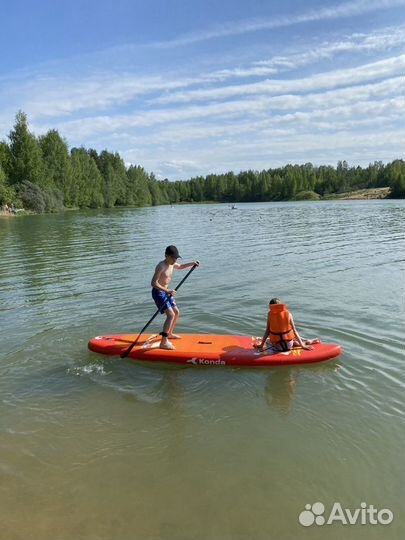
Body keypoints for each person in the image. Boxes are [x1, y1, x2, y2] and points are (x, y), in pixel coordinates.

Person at [151, 245, 199, 350]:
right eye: (173, 258)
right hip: (158, 292)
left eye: (176, 258)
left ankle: (170, 333)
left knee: (176, 312)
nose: (174, 260)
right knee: (171, 315)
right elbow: (153, 283)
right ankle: (163, 342)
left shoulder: (172, 264)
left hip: (167, 292)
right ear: (166, 256)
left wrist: (192, 264)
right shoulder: (161, 266)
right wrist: (167, 290)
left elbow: (181, 266)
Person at [254, 298, 320, 352]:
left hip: (277, 347)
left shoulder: (270, 314)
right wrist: (303, 346)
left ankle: (306, 341)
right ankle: (308, 341)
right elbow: (295, 331)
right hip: (289, 345)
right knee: (293, 339)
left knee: (268, 341)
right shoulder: (288, 314)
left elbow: (267, 331)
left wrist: (261, 346)